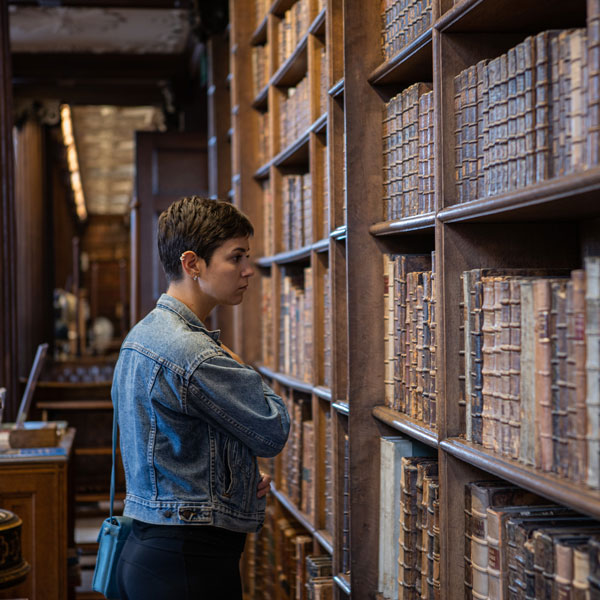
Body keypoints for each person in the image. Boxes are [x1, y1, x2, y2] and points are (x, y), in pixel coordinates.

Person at [113, 196, 290, 599]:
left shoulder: (140, 337)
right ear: (192, 264)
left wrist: (239, 475)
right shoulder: (194, 352)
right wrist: (228, 355)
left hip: (149, 550)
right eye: (236, 257)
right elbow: (272, 426)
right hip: (187, 564)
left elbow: (170, 444)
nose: (248, 271)